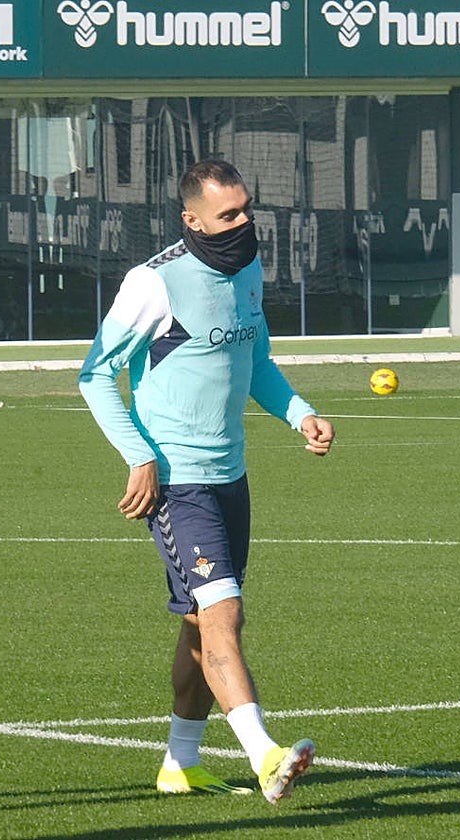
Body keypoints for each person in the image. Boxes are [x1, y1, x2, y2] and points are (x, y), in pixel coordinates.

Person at [79, 159, 334, 804]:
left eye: (247, 208)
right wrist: (138, 455)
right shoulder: (153, 283)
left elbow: (257, 362)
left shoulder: (247, 269)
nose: (245, 222)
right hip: (177, 483)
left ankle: (180, 762)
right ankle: (265, 756)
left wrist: (301, 415)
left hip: (231, 476)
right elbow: (95, 374)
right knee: (224, 613)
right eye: (228, 214)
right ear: (191, 220)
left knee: (199, 624)